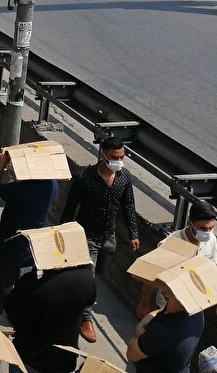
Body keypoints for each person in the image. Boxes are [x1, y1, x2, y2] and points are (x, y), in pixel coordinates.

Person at [61, 136, 141, 343]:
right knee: (89, 278)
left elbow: (129, 205)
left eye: (122, 157)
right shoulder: (85, 178)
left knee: (97, 273)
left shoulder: (124, 177)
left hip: (109, 238)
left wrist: (134, 234)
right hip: (87, 237)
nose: (119, 161)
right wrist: (62, 233)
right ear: (103, 155)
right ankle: (85, 318)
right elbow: (71, 207)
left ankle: (76, 298)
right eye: (115, 157)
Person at [0, 146, 58, 330]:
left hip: (12, 245)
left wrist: (1, 165)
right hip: (32, 244)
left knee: (3, 284)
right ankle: (14, 313)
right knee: (21, 283)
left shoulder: (21, 190)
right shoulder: (52, 185)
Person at [136, 202, 217, 328]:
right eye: (203, 229)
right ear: (190, 224)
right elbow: (151, 274)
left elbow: (212, 271)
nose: (208, 232)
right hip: (169, 304)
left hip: (196, 302)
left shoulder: (211, 240)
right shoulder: (171, 243)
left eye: (211, 228)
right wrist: (144, 303)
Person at [5, 265, 97, 373]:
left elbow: (11, 312)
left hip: (29, 358)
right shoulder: (87, 278)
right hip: (64, 360)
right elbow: (88, 303)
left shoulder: (30, 282)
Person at [127, 281, 205, 373]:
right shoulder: (197, 313)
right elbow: (159, 312)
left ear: (182, 300)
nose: (164, 292)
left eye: (168, 296)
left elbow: (131, 353)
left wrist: (139, 329)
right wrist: (143, 327)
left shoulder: (165, 332)